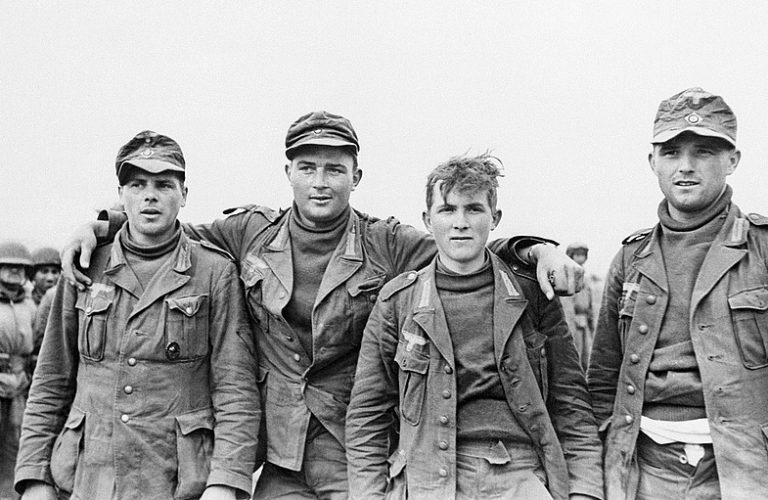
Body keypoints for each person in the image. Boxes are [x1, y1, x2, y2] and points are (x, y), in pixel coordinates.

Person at [61, 112, 584, 499]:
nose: (320, 182)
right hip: (279, 448)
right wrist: (100, 224)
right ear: (288, 171)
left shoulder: (386, 242)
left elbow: (464, 245)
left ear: (356, 176)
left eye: (335, 169)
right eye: (307, 167)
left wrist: (536, 250)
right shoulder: (248, 233)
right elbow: (167, 232)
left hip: (352, 443)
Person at [14, 131, 260, 500]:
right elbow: (51, 378)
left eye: (164, 184)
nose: (150, 195)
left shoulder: (215, 272)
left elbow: (235, 388)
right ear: (121, 194)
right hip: (91, 476)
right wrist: (34, 477)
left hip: (178, 481)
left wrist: (224, 482)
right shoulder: (85, 265)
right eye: (137, 184)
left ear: (184, 195)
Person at [346, 153, 603, 500]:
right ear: (427, 220)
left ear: (494, 218)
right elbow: (367, 415)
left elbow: (571, 404)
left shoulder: (532, 294)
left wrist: (585, 492)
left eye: (474, 209)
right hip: (425, 477)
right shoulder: (398, 301)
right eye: (447, 210)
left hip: (520, 475)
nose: (460, 223)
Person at [588, 88, 767, 499]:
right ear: (653, 161)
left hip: (744, 471)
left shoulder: (762, 249)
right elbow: (603, 378)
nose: (685, 166)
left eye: (703, 151)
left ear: (733, 160)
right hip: (642, 469)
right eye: (671, 153)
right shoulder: (631, 258)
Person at [0, 241, 36, 500]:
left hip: (20, 382)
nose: (15, 270)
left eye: (21, 267)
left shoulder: (30, 305)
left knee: (16, 443)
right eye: (8, 265)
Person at [560, 242, 595, 370]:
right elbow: (567, 304)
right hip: (574, 321)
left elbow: (590, 303)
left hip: (584, 320)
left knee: (587, 355)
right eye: (577, 255)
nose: (580, 258)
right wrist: (571, 325)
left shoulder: (586, 277)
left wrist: (591, 323)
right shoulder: (568, 276)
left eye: (583, 255)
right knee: (576, 353)